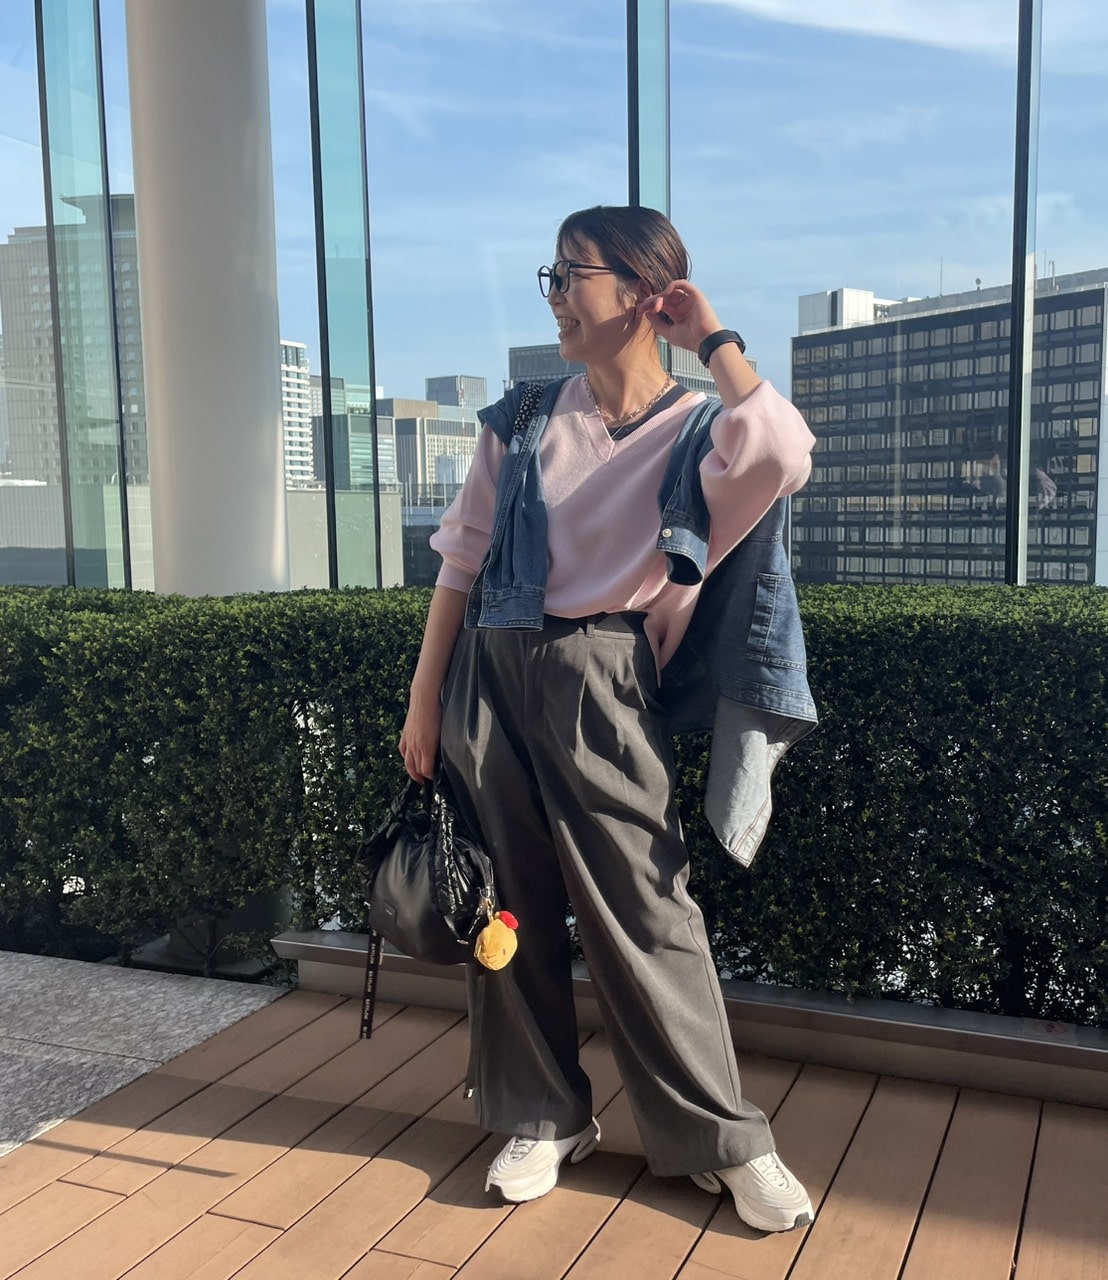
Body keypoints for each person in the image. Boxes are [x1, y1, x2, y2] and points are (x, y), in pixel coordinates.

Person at [398, 205, 816, 1234]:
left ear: (640, 293)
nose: (553, 297)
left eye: (570, 276)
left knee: (648, 907)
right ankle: (542, 1114)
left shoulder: (698, 428)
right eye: (550, 275)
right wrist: (423, 700)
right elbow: (460, 557)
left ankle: (724, 1137)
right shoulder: (522, 416)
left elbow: (782, 453)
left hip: (603, 675)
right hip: (492, 668)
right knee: (508, 903)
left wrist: (711, 335)